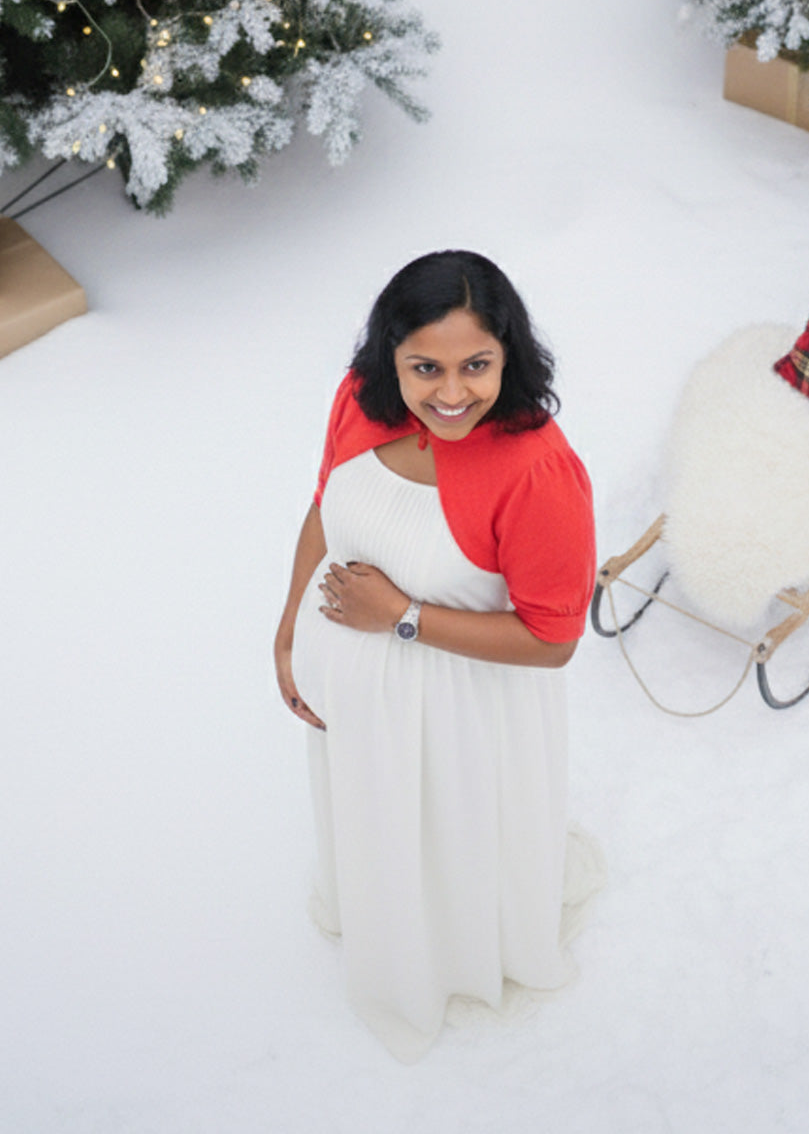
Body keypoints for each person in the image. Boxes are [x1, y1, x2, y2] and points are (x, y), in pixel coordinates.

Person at [274, 250, 597, 1062]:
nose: (452, 393)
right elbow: (324, 510)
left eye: (476, 366)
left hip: (463, 713)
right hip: (356, 709)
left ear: (508, 356)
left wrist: (403, 618)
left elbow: (553, 641)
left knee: (452, 840)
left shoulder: (538, 471)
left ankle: (453, 952)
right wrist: (288, 636)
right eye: (426, 367)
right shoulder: (358, 402)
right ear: (390, 356)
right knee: (380, 830)